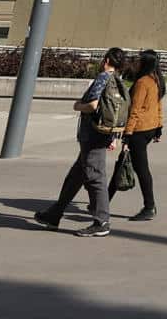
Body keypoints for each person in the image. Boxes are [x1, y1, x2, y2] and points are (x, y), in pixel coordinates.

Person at [34, 48, 128, 237]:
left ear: (107, 60)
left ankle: (102, 221)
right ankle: (54, 214)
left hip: (92, 136)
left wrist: (77, 105)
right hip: (104, 134)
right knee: (75, 177)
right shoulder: (120, 82)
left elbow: (93, 105)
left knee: (95, 177)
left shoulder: (103, 77)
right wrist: (115, 138)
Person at [110, 48, 165, 222]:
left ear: (146, 63)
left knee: (139, 169)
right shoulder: (156, 80)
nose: (137, 63)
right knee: (123, 163)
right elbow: (157, 106)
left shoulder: (142, 82)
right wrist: (159, 127)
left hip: (139, 131)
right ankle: (102, 201)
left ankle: (149, 206)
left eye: (140, 60)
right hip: (149, 128)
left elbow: (135, 110)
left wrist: (127, 134)